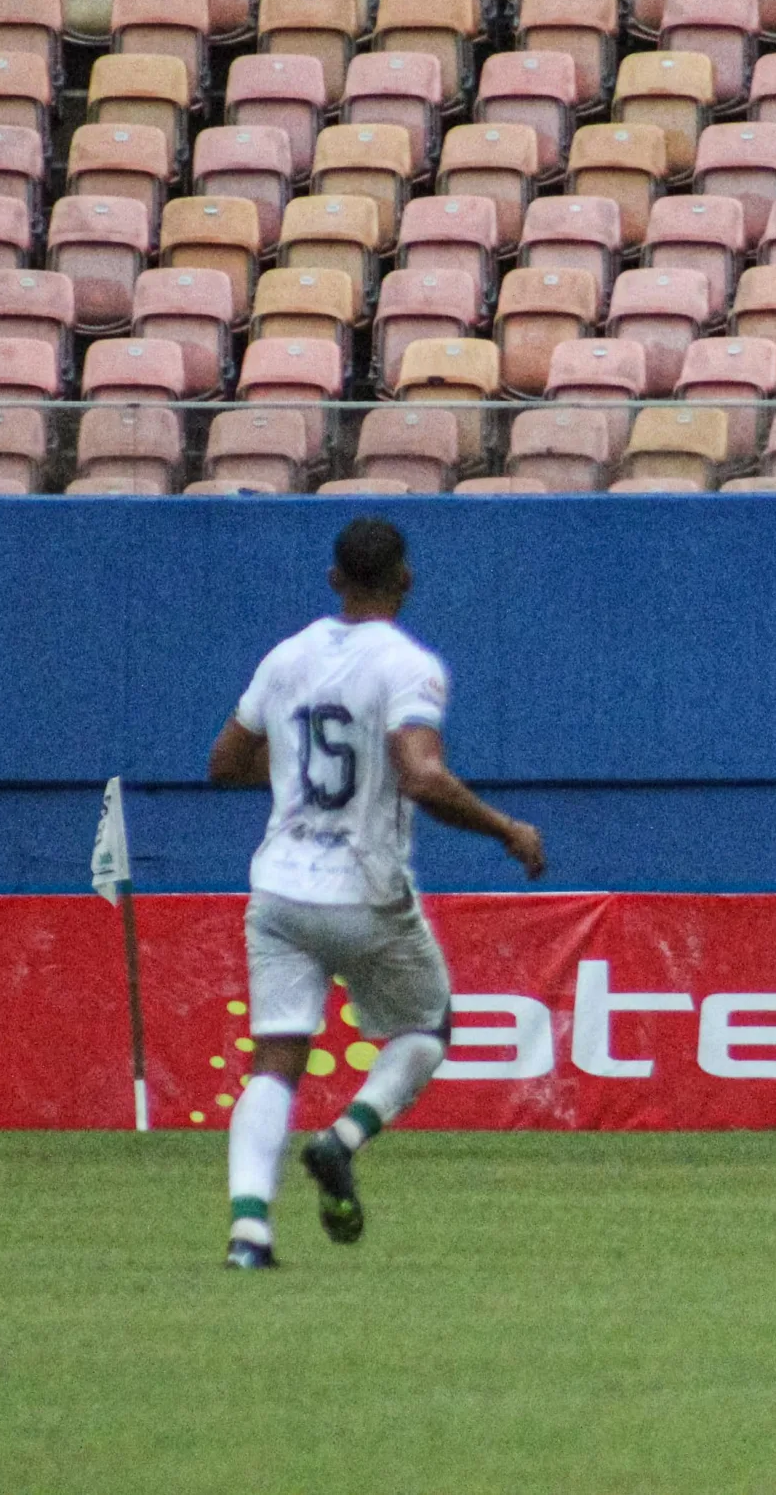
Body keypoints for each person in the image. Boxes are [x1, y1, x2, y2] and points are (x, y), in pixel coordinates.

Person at [206, 517, 547, 1269]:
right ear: (406, 579)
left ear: (334, 579)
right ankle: (344, 1138)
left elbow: (225, 762)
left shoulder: (286, 655)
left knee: (275, 1061)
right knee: (427, 1029)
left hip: (279, 889)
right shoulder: (407, 665)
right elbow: (422, 775)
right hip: (363, 889)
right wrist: (506, 829)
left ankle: (249, 1232)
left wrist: (295, 768)